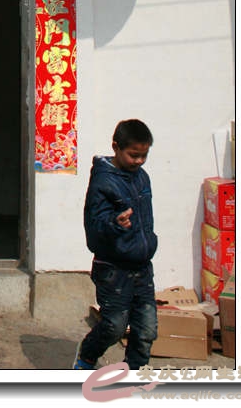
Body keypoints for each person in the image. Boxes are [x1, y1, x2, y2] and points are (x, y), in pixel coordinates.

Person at [73, 118, 158, 371]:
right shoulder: (103, 182)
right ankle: (87, 356)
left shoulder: (142, 178)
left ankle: (135, 373)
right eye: (133, 155)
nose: (139, 161)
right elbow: (94, 229)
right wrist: (114, 223)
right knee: (114, 326)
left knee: (146, 330)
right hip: (113, 269)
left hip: (142, 267)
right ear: (116, 147)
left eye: (144, 155)